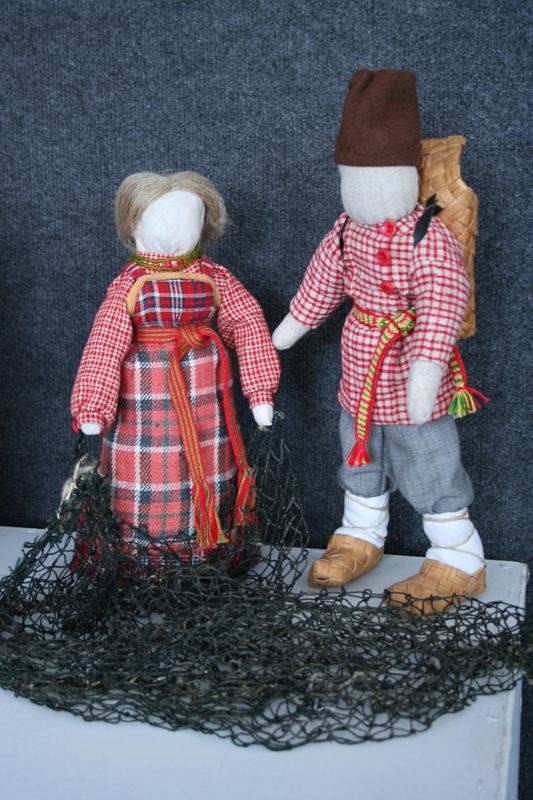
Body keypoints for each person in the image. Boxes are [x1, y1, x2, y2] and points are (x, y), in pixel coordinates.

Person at [71, 171, 280, 566]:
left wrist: (260, 389)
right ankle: (141, 555)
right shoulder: (129, 284)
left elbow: (247, 324)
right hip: (143, 397)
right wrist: (93, 407)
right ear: (133, 223)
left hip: (204, 391)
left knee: (209, 465)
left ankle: (207, 549)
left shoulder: (213, 277)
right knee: (144, 474)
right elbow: (104, 345)